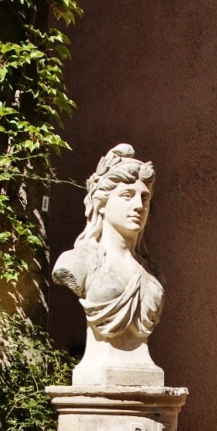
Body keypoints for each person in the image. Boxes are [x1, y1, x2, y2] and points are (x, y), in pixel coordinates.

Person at [52, 145, 165, 373]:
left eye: (145, 198)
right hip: (97, 373)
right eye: (127, 196)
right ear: (101, 204)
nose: (138, 206)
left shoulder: (153, 273)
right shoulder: (77, 263)